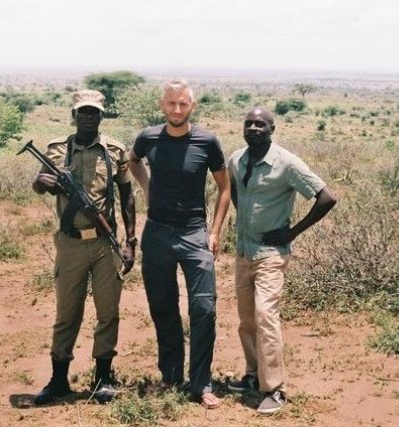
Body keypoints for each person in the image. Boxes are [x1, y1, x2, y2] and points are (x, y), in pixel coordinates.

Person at [226, 106, 337, 414]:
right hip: (243, 253)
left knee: (265, 317)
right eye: (249, 123)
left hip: (271, 256)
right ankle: (252, 376)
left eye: (261, 124)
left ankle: (274, 389)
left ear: (272, 129)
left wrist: (292, 232)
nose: (253, 128)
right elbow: (234, 188)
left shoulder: (286, 163)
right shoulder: (237, 159)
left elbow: (326, 197)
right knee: (247, 320)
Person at [128, 78, 231, 409]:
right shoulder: (148, 138)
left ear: (192, 106)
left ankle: (201, 383)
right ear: (162, 105)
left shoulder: (207, 142)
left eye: (183, 104)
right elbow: (133, 161)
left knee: (204, 308)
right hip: (156, 233)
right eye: (171, 103)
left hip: (193, 235)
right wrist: (147, 188)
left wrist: (214, 232)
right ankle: (171, 377)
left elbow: (224, 188)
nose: (177, 109)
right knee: (163, 307)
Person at [31, 89, 136, 405]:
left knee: (108, 312)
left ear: (101, 116)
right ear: (73, 115)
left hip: (106, 245)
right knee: (67, 314)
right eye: (83, 112)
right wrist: (42, 183)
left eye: (94, 112)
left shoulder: (115, 150)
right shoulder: (57, 150)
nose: (88, 117)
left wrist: (131, 241)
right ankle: (59, 379)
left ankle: (103, 378)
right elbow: (39, 185)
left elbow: (128, 195)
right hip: (71, 245)